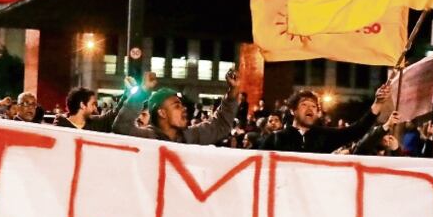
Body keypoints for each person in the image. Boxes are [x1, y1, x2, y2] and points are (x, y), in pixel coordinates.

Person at [112, 69, 240, 145]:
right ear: (162, 113)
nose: (184, 109)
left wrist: (232, 92)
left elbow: (220, 126)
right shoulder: (146, 138)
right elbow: (121, 127)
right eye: (177, 106)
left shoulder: (190, 136)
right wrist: (143, 90)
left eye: (182, 105)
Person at [260, 83, 390, 153]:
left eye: (314, 106)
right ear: (293, 111)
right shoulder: (275, 139)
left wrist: (378, 103)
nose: (310, 108)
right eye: (304, 104)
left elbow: (356, 130)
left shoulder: (324, 136)